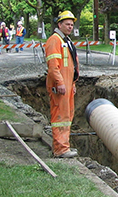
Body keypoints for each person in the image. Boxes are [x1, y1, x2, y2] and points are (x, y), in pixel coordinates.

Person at [44, 11, 79, 158]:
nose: (70, 27)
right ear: (60, 24)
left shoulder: (66, 41)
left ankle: (64, 146)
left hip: (67, 85)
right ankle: (60, 149)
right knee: (60, 117)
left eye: (72, 24)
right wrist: (60, 83)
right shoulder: (55, 40)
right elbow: (53, 66)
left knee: (67, 116)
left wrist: (73, 83)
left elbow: (71, 65)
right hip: (60, 87)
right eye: (67, 24)